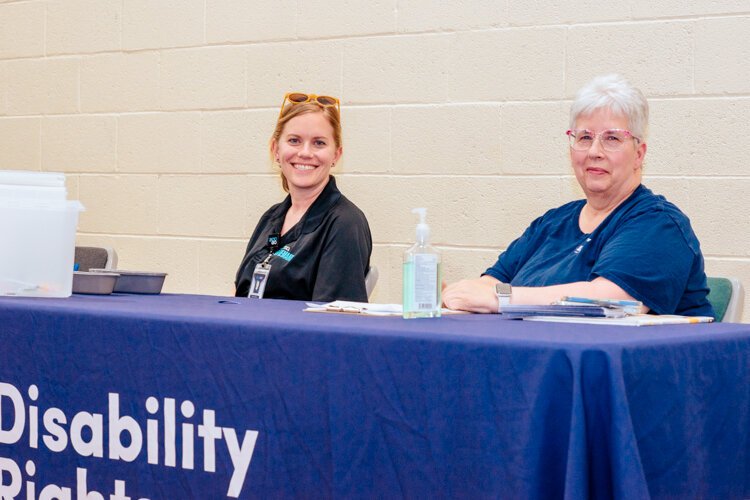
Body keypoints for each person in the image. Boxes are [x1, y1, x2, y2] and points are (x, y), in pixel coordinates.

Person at [443, 74, 715, 318]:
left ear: (639, 154)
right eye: (584, 137)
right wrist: (458, 294)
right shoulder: (551, 223)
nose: (594, 151)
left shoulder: (659, 224)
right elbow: (492, 282)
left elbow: (611, 301)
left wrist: (499, 298)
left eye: (612, 138)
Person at [235, 92, 372, 302]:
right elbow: (240, 292)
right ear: (276, 150)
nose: (305, 152)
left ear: (336, 155)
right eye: (294, 140)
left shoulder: (344, 223)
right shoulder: (271, 217)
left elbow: (333, 319)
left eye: (319, 143)